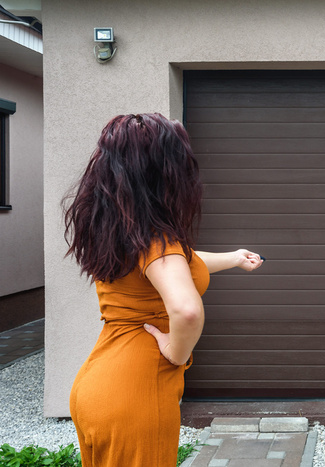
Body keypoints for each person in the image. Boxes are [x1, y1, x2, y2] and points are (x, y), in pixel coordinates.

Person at [63, 113, 264, 467]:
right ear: (163, 174)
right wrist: (176, 352)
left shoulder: (121, 230)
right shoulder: (157, 239)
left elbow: (176, 264)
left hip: (97, 387)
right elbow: (187, 309)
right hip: (136, 395)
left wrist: (233, 258)